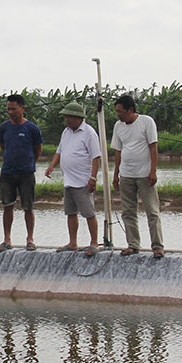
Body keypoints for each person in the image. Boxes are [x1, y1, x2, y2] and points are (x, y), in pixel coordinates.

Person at [111, 94, 165, 258]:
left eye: (120, 111)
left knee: (152, 212)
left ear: (131, 110)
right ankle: (133, 244)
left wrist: (153, 171)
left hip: (144, 174)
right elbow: (118, 152)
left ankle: (157, 246)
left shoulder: (146, 122)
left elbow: (153, 148)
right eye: (117, 112)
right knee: (128, 212)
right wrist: (115, 174)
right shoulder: (118, 126)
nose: (118, 115)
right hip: (126, 175)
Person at [44, 101, 102, 255]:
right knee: (70, 212)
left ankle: (94, 243)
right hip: (68, 180)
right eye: (65, 117)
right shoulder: (66, 132)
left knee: (89, 212)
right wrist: (52, 166)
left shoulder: (89, 133)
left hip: (83, 180)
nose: (66, 120)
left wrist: (93, 178)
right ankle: (72, 242)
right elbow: (59, 151)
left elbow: (96, 158)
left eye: (69, 117)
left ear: (78, 117)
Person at [0, 93, 43, 252]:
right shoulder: (4, 128)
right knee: (7, 206)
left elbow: (38, 150)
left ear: (22, 108)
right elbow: (3, 146)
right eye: (8, 109)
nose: (10, 112)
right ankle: (7, 239)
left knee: (28, 207)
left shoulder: (32, 128)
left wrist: (29, 163)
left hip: (26, 173)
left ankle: (30, 239)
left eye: (13, 109)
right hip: (7, 172)